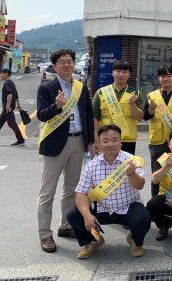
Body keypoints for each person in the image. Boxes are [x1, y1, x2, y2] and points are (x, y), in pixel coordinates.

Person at [36, 49, 95, 253]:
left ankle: (66, 225)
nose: (67, 65)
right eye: (62, 62)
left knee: (72, 189)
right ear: (54, 66)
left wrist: (91, 141)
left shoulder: (81, 87)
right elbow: (42, 116)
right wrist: (57, 106)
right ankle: (45, 234)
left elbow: (88, 114)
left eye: (70, 61)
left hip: (78, 142)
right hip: (54, 144)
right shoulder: (46, 88)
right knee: (47, 192)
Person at [66, 125, 151, 259]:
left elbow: (140, 185)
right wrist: (87, 216)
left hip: (127, 206)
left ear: (121, 142)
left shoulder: (132, 161)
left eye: (114, 140)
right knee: (73, 215)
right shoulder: (91, 166)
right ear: (99, 144)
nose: (110, 144)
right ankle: (93, 241)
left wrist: (132, 174)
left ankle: (135, 240)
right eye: (105, 141)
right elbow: (80, 193)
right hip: (102, 208)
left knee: (143, 217)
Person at [143, 65, 172, 197]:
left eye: (169, 76)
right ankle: (156, 203)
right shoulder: (152, 96)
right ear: (158, 78)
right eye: (163, 76)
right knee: (157, 172)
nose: (166, 79)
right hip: (157, 141)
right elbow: (145, 117)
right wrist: (151, 109)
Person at [92, 60, 144, 155]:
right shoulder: (101, 92)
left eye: (124, 72)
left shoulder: (136, 93)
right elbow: (95, 116)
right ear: (112, 73)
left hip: (128, 139)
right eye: (118, 71)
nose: (121, 74)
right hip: (106, 138)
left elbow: (139, 117)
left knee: (126, 167)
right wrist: (96, 137)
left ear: (129, 75)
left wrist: (132, 104)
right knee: (106, 166)